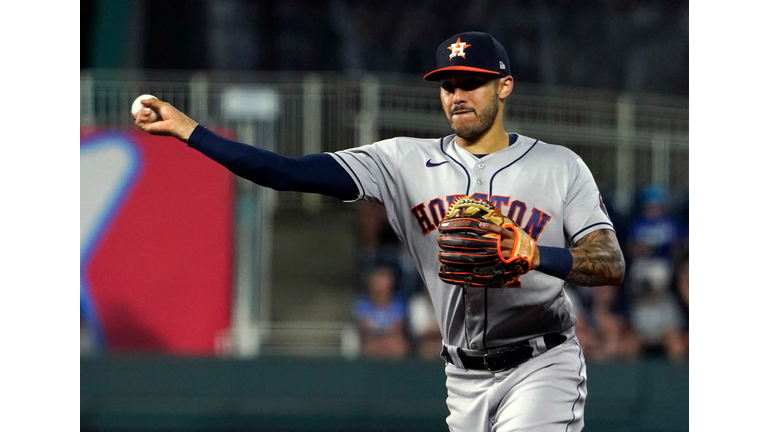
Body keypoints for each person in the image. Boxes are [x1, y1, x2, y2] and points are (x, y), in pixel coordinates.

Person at [134, 31, 625, 432]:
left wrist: (534, 253)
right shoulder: (401, 161)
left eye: (471, 83)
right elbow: (286, 172)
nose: (457, 95)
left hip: (542, 362)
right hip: (462, 375)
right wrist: (190, 132)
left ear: (504, 86)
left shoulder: (559, 165)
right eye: (448, 84)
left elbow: (609, 263)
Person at [352, 266, 409, 359]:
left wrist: (383, 335)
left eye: (383, 281)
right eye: (377, 282)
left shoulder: (398, 303)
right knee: (370, 346)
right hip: (371, 339)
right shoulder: (362, 303)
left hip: (391, 339)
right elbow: (364, 327)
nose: (380, 286)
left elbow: (398, 327)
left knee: (397, 344)